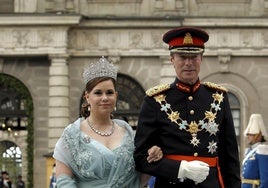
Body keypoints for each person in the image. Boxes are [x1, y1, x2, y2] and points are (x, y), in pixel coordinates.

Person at [134, 26, 241, 188]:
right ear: (172, 59)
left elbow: (230, 157)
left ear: (201, 59)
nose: (188, 63)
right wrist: (180, 169)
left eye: (194, 57)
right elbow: (141, 158)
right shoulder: (154, 101)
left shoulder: (219, 98)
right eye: (182, 57)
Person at [53, 56, 163, 188]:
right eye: (98, 93)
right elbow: (64, 181)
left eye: (109, 93)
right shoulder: (72, 134)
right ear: (87, 97)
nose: (104, 98)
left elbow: (138, 178)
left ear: (116, 96)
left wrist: (154, 157)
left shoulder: (127, 132)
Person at [242, 113, 268, 188]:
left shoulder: (262, 150)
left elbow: (265, 180)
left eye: (251, 134)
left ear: (258, 136)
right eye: (248, 134)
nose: (248, 137)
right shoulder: (249, 151)